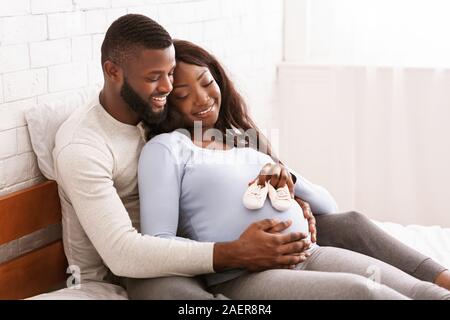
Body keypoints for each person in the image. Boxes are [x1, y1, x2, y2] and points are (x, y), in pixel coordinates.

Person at [53, 13, 449, 299]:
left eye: (171, 75)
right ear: (113, 72)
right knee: (361, 291)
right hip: (161, 261)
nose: (171, 87)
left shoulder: (180, 123)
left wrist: (291, 198)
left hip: (270, 249)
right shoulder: (92, 146)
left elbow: (302, 200)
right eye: (161, 81)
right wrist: (233, 251)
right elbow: (127, 252)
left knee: (358, 234)